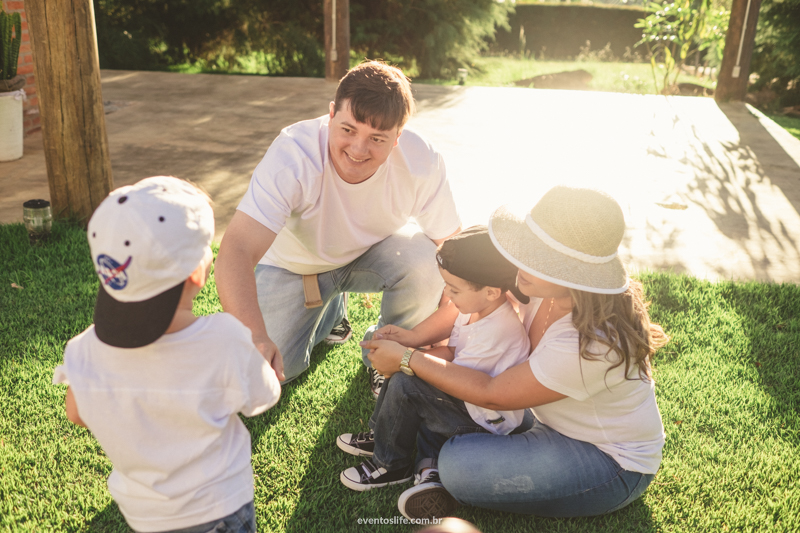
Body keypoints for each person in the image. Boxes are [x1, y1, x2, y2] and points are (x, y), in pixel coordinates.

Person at [361, 186, 668, 520]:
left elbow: (493, 394)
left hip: (607, 460)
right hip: (542, 417)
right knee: (435, 392)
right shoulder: (538, 284)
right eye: (528, 249)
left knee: (460, 466)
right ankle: (424, 464)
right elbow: (472, 305)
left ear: (571, 274)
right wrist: (413, 338)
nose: (522, 262)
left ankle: (432, 468)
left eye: (539, 258)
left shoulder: (591, 344)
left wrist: (407, 358)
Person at [215, 60, 461, 393]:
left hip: (370, 255)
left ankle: (388, 355)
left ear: (398, 136)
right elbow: (236, 250)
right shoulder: (293, 155)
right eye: (348, 129)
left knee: (427, 259)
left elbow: (452, 251)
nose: (359, 149)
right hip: (295, 266)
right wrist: (256, 336)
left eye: (377, 138)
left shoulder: (422, 161)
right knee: (260, 375)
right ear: (331, 115)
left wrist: (439, 331)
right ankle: (331, 313)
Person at [53, 177, 281, 533]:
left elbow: (76, 412)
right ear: (196, 272)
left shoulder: (84, 349)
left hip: (145, 515)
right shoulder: (225, 340)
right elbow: (261, 398)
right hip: (220, 509)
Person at [335, 226, 531, 520]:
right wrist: (408, 343)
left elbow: (456, 380)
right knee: (408, 372)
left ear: (490, 291)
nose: (447, 295)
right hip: (468, 403)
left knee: (406, 382)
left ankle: (392, 465)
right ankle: (420, 464)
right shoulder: (479, 306)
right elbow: (453, 351)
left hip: (485, 423)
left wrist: (408, 359)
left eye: (454, 290)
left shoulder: (498, 330)